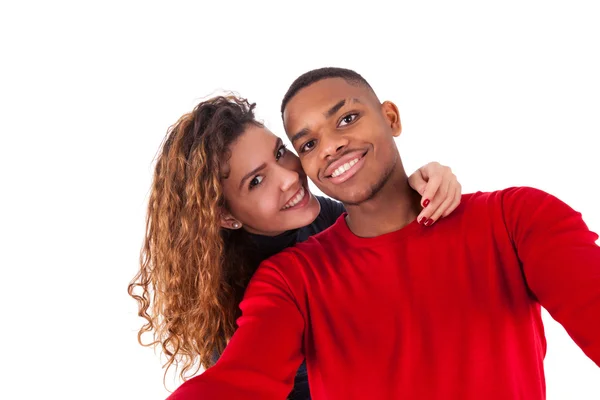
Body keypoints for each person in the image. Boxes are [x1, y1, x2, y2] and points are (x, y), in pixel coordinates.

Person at [167, 68, 600, 400]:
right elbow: (239, 381)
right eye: (310, 144)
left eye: (347, 118)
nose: (331, 147)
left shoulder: (515, 217)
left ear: (390, 117)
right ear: (226, 216)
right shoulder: (288, 281)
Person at [128, 95, 462, 399]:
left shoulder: (321, 218)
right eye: (256, 181)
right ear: (225, 215)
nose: (288, 178)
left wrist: (423, 187)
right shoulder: (242, 305)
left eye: (278, 154)